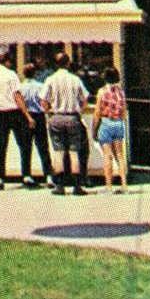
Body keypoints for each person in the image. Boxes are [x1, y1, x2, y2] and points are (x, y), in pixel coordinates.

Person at [40, 51, 90, 195]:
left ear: (55, 64)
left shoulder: (50, 79)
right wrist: (79, 110)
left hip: (56, 117)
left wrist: (49, 112)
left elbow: (43, 100)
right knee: (74, 152)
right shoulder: (75, 79)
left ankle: (60, 185)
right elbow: (84, 99)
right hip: (72, 117)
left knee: (58, 152)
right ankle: (77, 186)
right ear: (68, 63)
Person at [0, 50, 31, 190]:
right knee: (23, 144)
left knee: (1, 146)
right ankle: (26, 175)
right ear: (8, 61)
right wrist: (27, 114)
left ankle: (0, 177)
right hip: (13, 111)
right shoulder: (11, 75)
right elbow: (16, 95)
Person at [17, 63, 55, 188]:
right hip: (39, 116)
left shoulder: (20, 87)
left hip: (25, 116)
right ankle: (48, 175)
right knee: (43, 146)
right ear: (35, 73)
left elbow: (18, 102)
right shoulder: (40, 86)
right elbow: (45, 101)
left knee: (25, 147)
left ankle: (26, 175)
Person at [91, 67, 128, 192]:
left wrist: (94, 129)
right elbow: (123, 111)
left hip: (106, 122)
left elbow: (97, 112)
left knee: (107, 156)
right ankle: (124, 185)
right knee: (119, 155)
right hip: (118, 123)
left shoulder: (102, 92)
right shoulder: (121, 92)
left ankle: (109, 186)